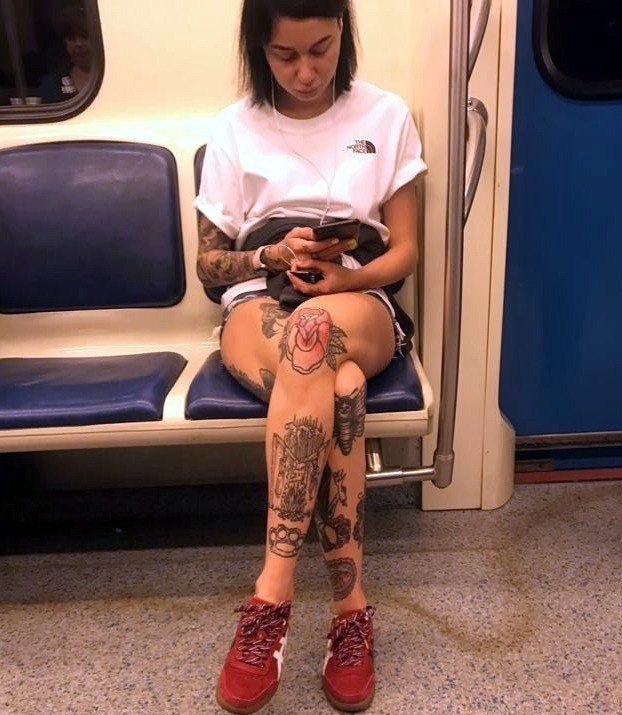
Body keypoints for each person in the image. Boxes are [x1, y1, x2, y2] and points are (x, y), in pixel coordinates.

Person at [194, 1, 427, 711]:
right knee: (339, 383)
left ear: (343, 36)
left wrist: (342, 279)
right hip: (260, 300)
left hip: (355, 294)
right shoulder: (234, 128)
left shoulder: (386, 115)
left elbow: (404, 252)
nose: (304, 71)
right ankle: (350, 611)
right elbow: (209, 266)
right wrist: (270, 253)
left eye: (320, 49)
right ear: (258, 49)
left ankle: (271, 596)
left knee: (316, 330)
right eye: (284, 55)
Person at [37, 5, 91, 104]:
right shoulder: (52, 84)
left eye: (85, 36)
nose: (79, 44)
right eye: (71, 38)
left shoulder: (116, 75)